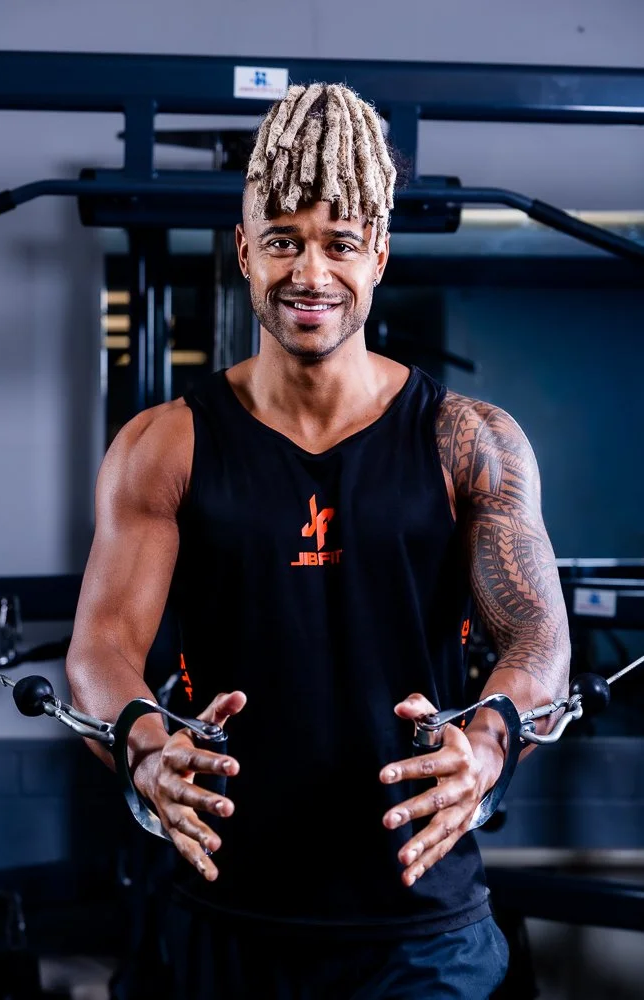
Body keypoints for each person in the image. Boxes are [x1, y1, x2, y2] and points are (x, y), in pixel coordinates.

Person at [66, 82, 570, 999]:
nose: (311, 273)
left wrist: (488, 743)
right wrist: (144, 742)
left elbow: (537, 638)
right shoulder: (163, 445)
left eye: (339, 243)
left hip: (421, 929)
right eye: (283, 241)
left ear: (377, 254)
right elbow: (102, 647)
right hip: (220, 917)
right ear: (243, 253)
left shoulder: (469, 440)